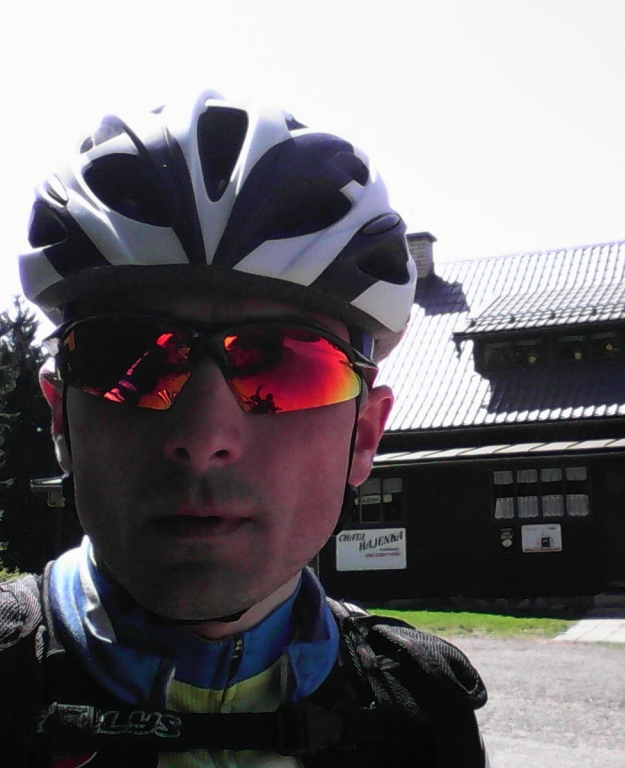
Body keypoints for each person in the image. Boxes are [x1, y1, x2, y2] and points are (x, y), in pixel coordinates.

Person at [0, 91, 488, 767]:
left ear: (364, 436)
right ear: (60, 416)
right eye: (128, 362)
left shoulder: (422, 717)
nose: (204, 438)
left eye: (287, 367)